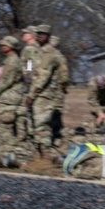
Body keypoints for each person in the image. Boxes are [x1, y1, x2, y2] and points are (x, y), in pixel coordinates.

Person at [0, 36, 31, 168]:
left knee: (5, 129)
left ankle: (10, 158)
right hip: (14, 98)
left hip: (9, 100)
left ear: (10, 47)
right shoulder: (14, 60)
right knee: (15, 130)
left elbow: (5, 81)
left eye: (4, 44)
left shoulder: (12, 62)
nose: (1, 46)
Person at [25, 24, 62, 160]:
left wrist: (31, 94)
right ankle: (38, 156)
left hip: (43, 95)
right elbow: (29, 70)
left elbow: (42, 77)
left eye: (43, 34)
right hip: (33, 93)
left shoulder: (49, 53)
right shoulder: (35, 51)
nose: (40, 36)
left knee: (42, 126)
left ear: (48, 36)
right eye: (38, 33)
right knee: (33, 125)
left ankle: (46, 156)